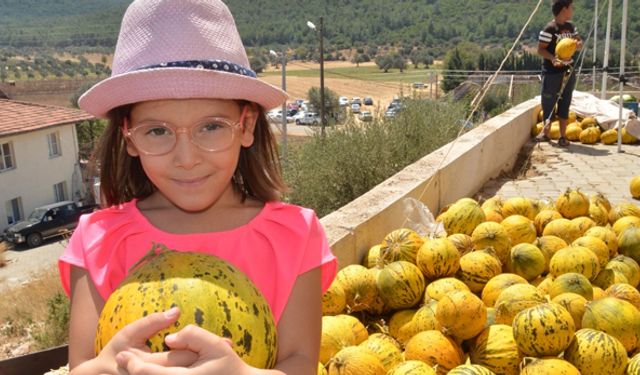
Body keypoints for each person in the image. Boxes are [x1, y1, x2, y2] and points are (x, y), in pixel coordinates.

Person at [58, 1, 337, 374]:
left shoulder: (294, 236)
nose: (186, 158)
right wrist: (108, 367)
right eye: (157, 131)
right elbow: (81, 368)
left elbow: (300, 364)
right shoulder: (99, 242)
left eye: (211, 126)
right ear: (128, 137)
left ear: (247, 125)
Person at [536, 0, 582, 147]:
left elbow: (578, 43)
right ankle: (546, 133)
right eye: (571, 7)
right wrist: (553, 59)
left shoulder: (571, 27)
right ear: (564, 9)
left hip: (568, 71)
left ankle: (563, 136)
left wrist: (578, 44)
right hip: (551, 72)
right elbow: (540, 49)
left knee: (565, 102)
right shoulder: (549, 29)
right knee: (549, 102)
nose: (573, 10)